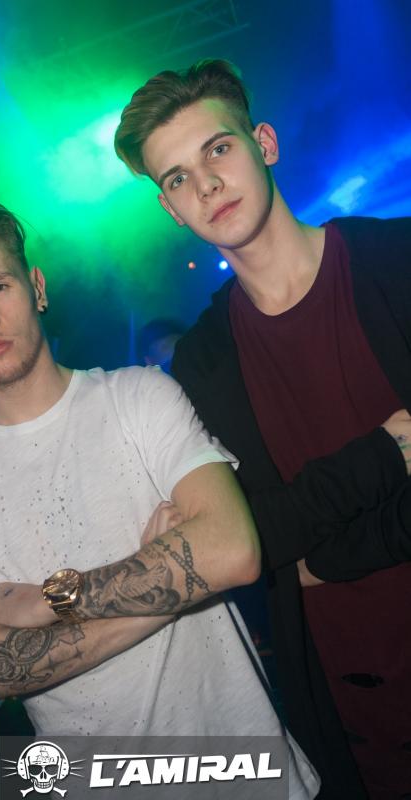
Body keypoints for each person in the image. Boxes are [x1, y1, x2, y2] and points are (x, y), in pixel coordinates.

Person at [0, 195, 320, 799]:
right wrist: (172, 588)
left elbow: (233, 551)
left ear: (37, 288)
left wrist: (52, 599)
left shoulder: (140, 397)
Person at [114, 59, 411, 799]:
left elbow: (277, 538)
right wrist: (388, 455)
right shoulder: (204, 360)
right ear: (170, 208)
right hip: (357, 714)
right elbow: (251, 540)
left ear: (265, 144)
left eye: (218, 148)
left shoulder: (397, 260)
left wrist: (322, 556)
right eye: (178, 178)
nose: (207, 184)